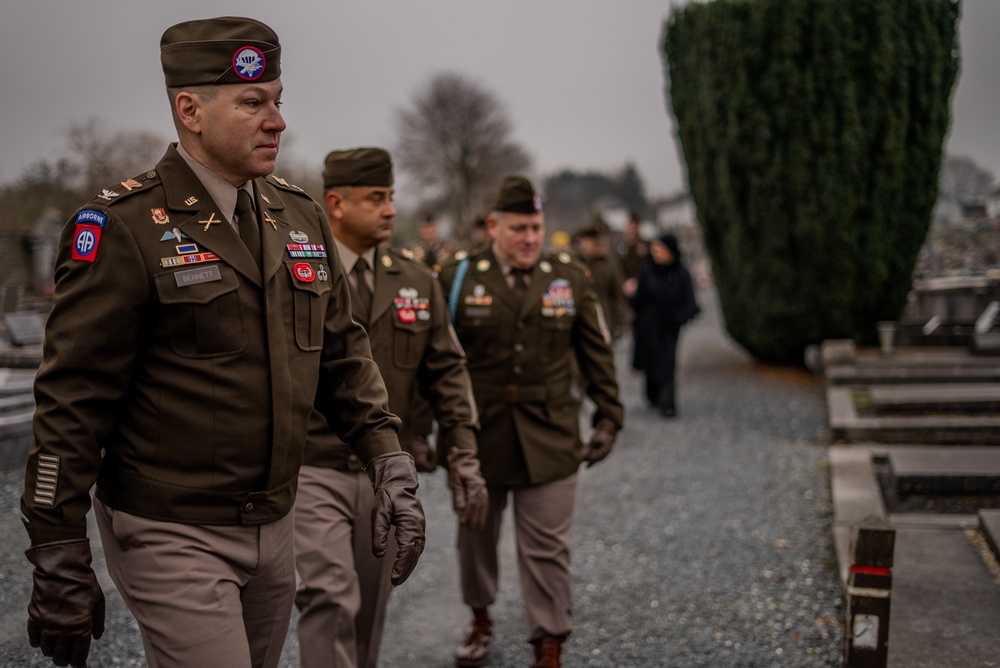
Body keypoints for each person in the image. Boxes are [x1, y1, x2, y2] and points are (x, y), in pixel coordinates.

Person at [20, 18, 425, 668]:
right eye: (252, 102)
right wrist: (55, 547)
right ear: (190, 110)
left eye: (278, 100)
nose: (277, 122)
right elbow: (72, 399)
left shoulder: (297, 215)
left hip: (275, 520)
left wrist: (389, 463)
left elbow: (343, 356)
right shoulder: (123, 228)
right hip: (171, 526)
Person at [294, 147, 489, 668]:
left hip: (385, 471)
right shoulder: (298, 275)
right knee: (330, 595)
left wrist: (463, 451)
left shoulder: (416, 280)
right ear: (335, 203)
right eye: (376, 199)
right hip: (312, 465)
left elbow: (447, 371)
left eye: (391, 197)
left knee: (368, 609)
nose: (390, 210)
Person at [437, 176, 624, 668]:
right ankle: (480, 617)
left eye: (536, 228)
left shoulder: (568, 275)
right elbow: (432, 360)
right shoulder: (457, 275)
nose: (529, 238)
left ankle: (549, 641)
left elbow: (595, 351)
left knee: (547, 547)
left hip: (551, 434)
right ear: (493, 226)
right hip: (479, 436)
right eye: (519, 228)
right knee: (475, 540)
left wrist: (609, 416)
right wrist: (420, 428)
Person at [627, 233, 700, 418]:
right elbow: (639, 298)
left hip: (668, 327)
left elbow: (689, 302)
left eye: (660, 250)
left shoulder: (680, 273)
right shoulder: (648, 270)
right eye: (654, 250)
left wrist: (677, 318)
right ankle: (653, 396)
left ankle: (667, 402)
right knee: (649, 360)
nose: (656, 253)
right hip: (648, 325)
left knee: (667, 363)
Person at [573, 221, 628, 340]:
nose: (596, 243)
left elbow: (617, 294)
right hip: (578, 322)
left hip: (604, 320)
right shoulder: (575, 262)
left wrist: (620, 322)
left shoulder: (609, 263)